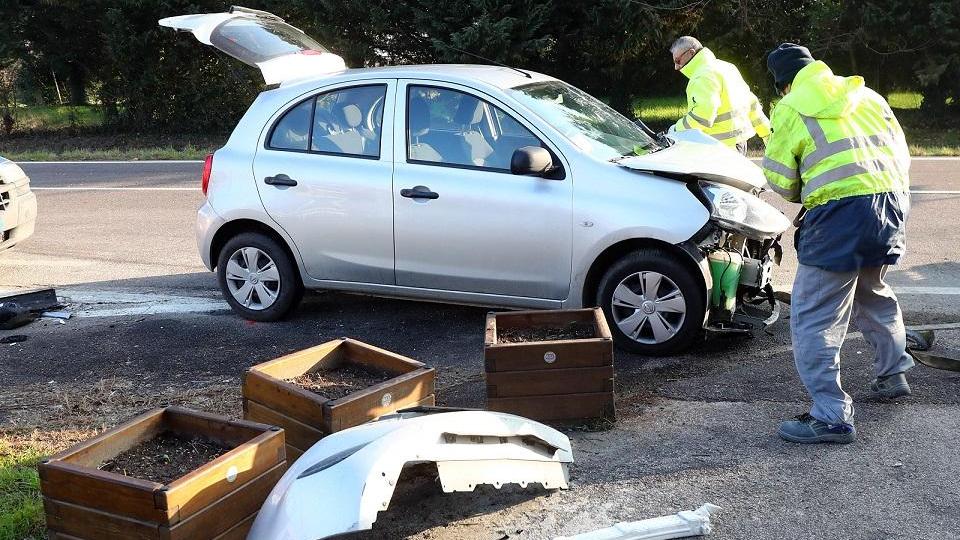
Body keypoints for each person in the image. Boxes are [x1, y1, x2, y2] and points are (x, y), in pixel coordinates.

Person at [761, 43, 914, 444]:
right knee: (871, 288)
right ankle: (893, 372)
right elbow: (899, 150)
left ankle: (830, 416)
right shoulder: (867, 95)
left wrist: (815, 191)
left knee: (814, 315)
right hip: (889, 204)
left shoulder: (791, 107)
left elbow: (781, 179)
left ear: (783, 83)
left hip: (839, 216)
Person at [669, 36, 770, 155]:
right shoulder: (727, 67)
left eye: (677, 61)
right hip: (740, 144)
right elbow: (752, 103)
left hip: (718, 149)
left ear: (691, 53)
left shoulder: (702, 76)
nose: (676, 67)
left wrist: (676, 130)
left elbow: (702, 117)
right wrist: (768, 136)